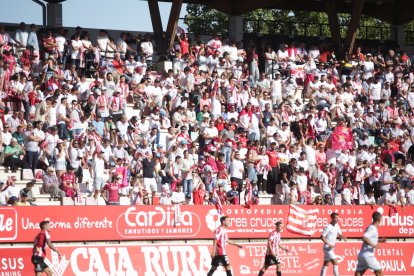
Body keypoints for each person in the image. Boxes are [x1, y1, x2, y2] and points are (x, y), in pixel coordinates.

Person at [355, 212, 386, 276]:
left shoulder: (371, 227)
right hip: (368, 255)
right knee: (379, 272)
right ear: (380, 219)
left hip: (362, 255)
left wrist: (379, 240)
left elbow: (369, 238)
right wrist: (374, 245)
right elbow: (365, 238)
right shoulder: (372, 228)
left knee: (359, 273)